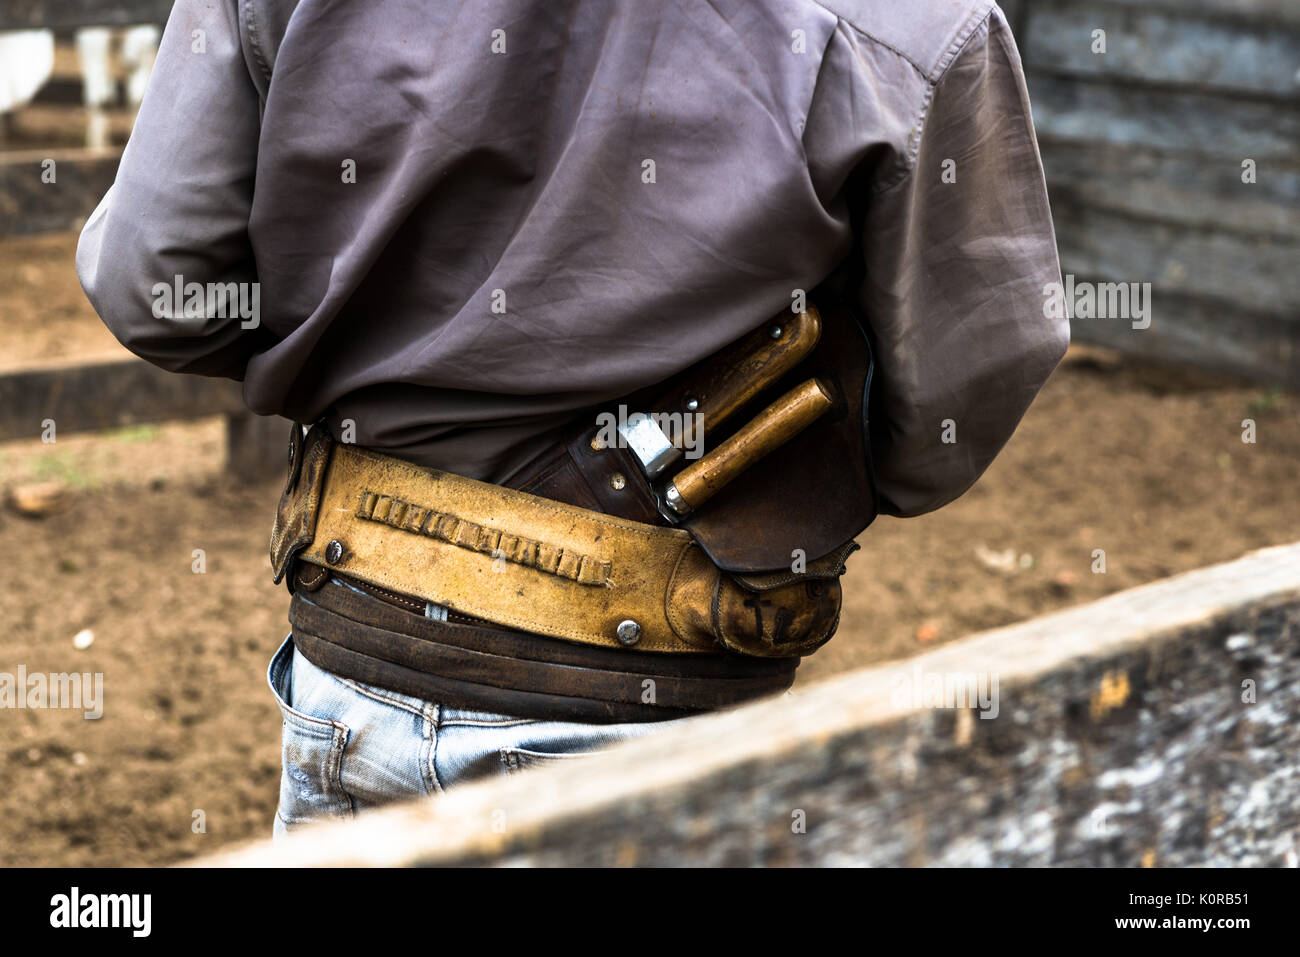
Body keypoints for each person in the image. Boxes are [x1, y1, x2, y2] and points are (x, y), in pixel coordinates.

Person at [76, 0, 1069, 836]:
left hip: (354, 658)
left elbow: (159, 290)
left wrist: (363, 334)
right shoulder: (910, 19)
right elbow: (955, 393)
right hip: (661, 710)